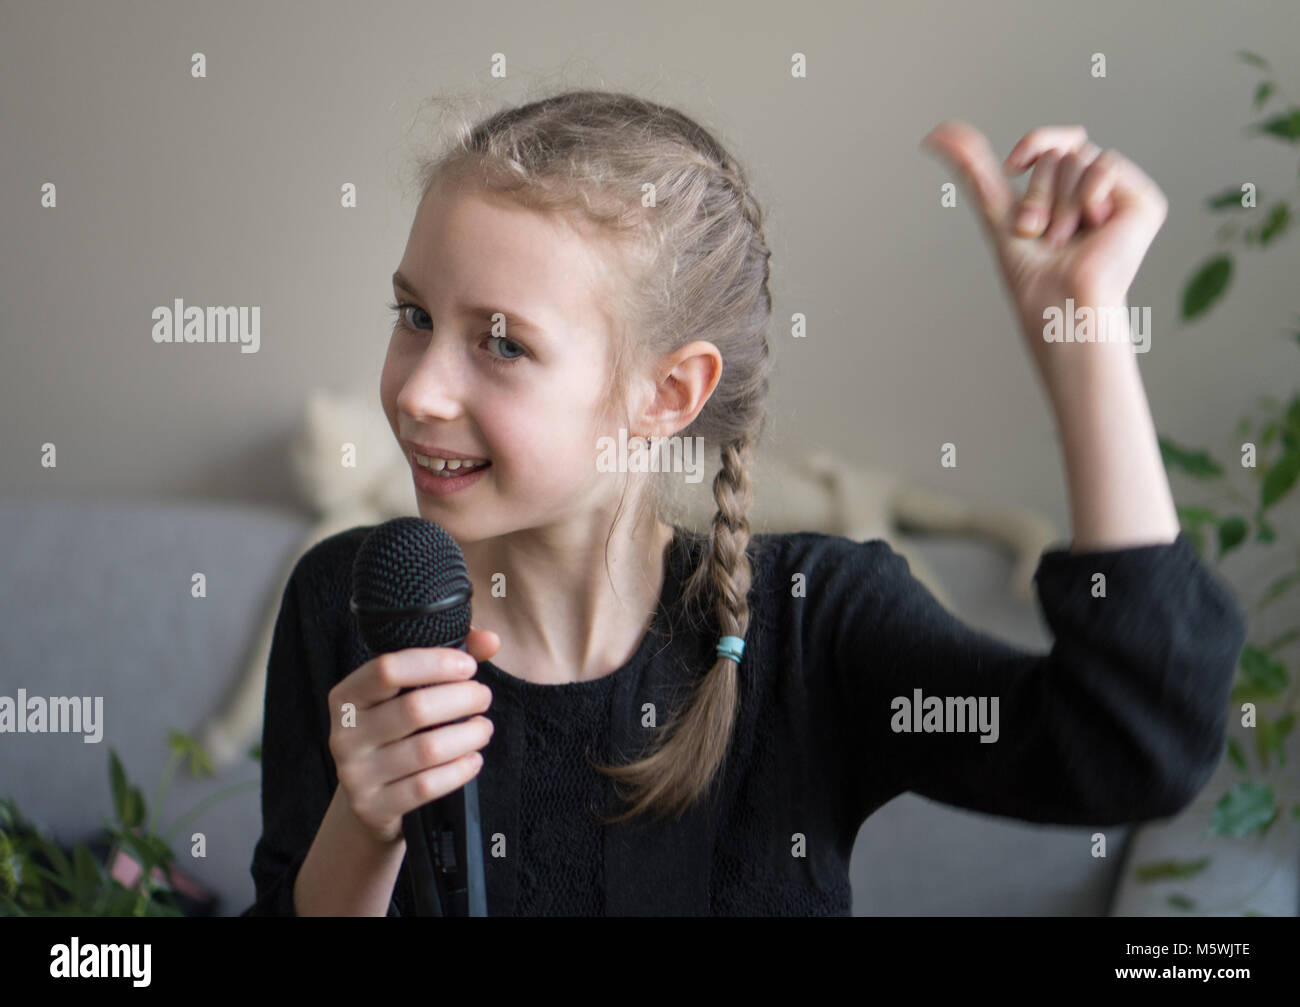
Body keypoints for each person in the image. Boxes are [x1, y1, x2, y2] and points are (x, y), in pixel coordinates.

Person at [243, 90, 1247, 917]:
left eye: (501, 342)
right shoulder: (349, 603)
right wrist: (362, 827)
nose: (418, 388)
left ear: (666, 394)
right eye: (413, 314)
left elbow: (1130, 747)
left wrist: (1082, 341)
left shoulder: (813, 626)